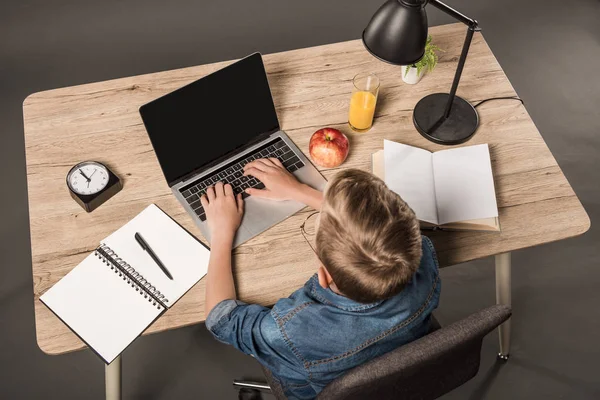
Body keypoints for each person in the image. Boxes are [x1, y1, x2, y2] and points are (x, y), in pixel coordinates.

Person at [201, 158, 440, 400]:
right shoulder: (420, 259)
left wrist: (221, 233)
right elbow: (392, 237)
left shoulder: (290, 331)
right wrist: (299, 191)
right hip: (404, 372)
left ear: (323, 276)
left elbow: (220, 319)